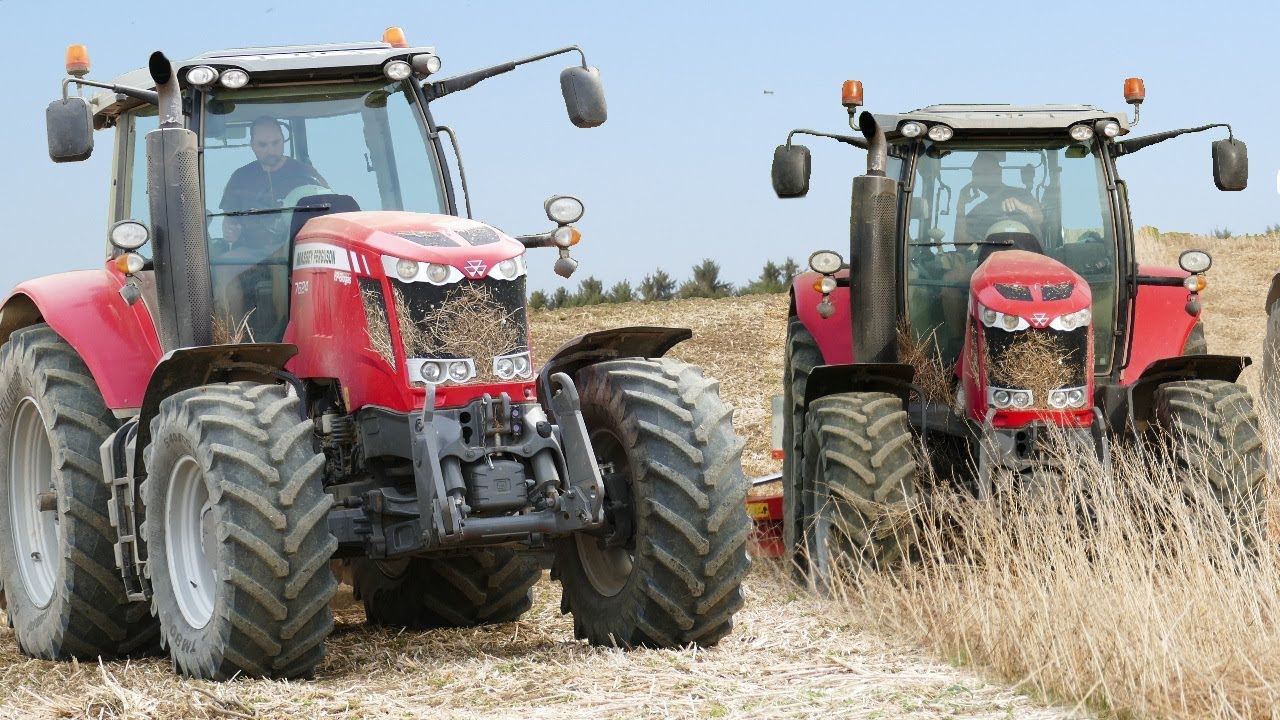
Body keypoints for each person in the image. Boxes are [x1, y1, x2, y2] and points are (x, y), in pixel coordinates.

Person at [218, 116, 328, 248]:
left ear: (283, 140)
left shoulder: (307, 175)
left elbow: (329, 212)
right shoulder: (239, 178)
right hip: (250, 254)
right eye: (263, 145)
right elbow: (229, 222)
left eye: (276, 143)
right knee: (224, 263)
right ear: (252, 145)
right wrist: (230, 231)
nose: (271, 151)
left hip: (297, 250)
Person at [954, 153, 1043, 245]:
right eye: (976, 174)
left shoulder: (1021, 195)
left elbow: (1039, 218)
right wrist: (961, 206)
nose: (981, 178)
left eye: (985, 171)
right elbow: (961, 244)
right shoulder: (977, 212)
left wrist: (1021, 206)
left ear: (999, 172)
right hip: (990, 254)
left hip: (1028, 251)